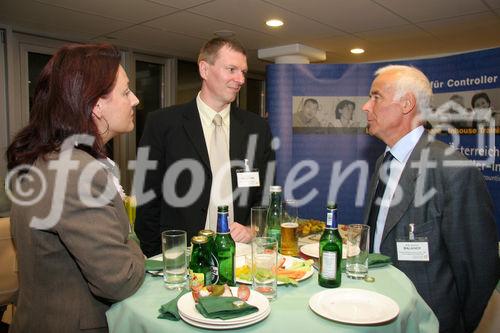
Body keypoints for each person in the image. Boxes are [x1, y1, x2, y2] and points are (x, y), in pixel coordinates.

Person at [5, 43, 145, 333]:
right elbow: (122, 279)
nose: (135, 100)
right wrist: (133, 243)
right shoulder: (77, 172)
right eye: (125, 91)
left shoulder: (49, 158)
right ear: (96, 105)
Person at [362, 65, 498, 333]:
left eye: (376, 96)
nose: (366, 106)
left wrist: (453, 326)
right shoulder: (382, 161)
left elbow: (478, 271)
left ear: (406, 104)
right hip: (379, 311)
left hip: (425, 322)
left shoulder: (452, 169)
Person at [135, 37, 274, 257]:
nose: (240, 79)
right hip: (180, 257)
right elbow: (147, 198)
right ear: (204, 69)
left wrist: (252, 229)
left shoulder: (257, 128)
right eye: (231, 69)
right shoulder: (162, 124)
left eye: (243, 72)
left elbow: (265, 193)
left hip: (239, 256)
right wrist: (157, 258)